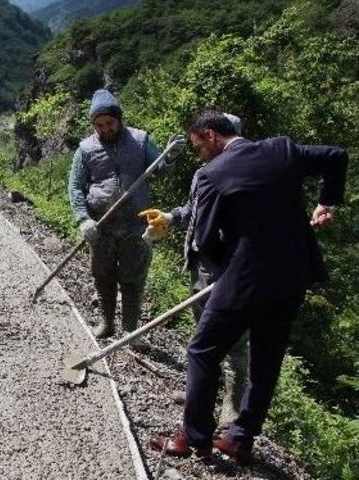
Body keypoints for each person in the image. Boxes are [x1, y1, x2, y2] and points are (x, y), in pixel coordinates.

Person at [149, 110, 348, 463]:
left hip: (243, 280)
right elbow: (336, 156)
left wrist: (228, 262)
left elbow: (205, 240)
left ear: (210, 135)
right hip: (292, 277)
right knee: (266, 359)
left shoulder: (213, 174)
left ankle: (194, 437)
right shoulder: (281, 150)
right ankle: (241, 439)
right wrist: (326, 202)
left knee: (202, 351)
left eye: (199, 147)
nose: (200, 155)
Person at [139, 113, 247, 427]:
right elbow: (194, 210)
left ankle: (233, 404)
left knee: (236, 339)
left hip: (231, 269)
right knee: (202, 332)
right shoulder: (202, 173)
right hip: (201, 266)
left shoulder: (244, 175)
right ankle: (200, 391)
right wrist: (170, 217)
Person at [68, 89, 184, 338]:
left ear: (119, 119)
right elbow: (75, 186)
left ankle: (130, 330)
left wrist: (170, 156)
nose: (105, 129)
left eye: (109, 123)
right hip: (101, 226)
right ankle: (107, 323)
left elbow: (161, 169)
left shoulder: (140, 141)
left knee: (133, 279)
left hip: (136, 226)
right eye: (99, 125)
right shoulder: (86, 149)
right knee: (103, 276)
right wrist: (83, 218)